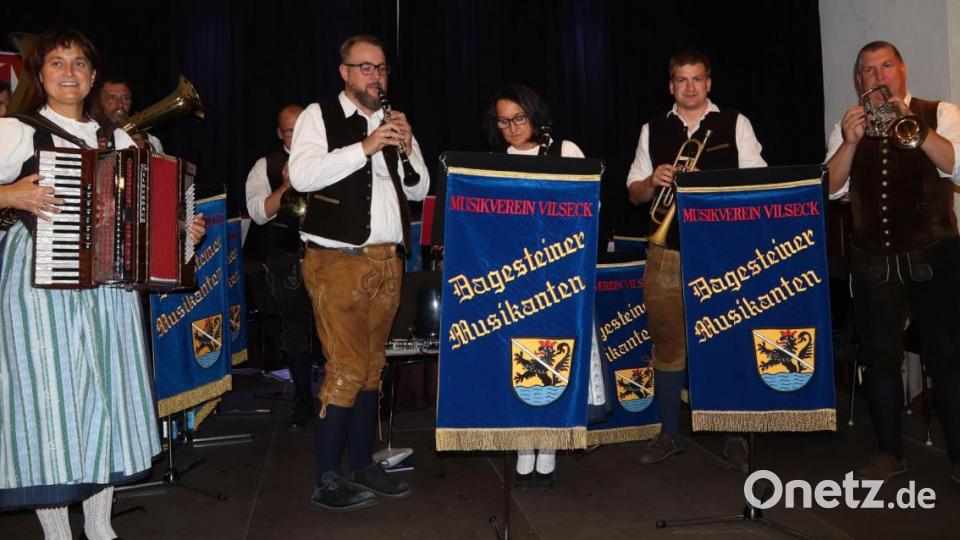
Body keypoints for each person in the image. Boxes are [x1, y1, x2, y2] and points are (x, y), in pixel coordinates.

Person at [0, 28, 205, 539]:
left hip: (108, 292)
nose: (68, 72)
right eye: (56, 63)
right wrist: (9, 194)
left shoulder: (119, 140)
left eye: (78, 63)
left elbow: (142, 223)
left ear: (92, 76)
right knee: (51, 402)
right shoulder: (16, 132)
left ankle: (100, 528)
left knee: (106, 399)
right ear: (39, 75)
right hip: (38, 288)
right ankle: (57, 533)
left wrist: (181, 232)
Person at [289, 34, 429, 512]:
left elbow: (421, 189)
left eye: (382, 68)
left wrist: (407, 146)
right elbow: (303, 176)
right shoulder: (318, 115)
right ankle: (327, 477)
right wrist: (367, 145)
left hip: (387, 262)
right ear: (344, 72)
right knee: (346, 369)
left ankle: (364, 464)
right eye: (365, 67)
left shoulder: (393, 121)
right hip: (337, 263)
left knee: (372, 370)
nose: (376, 76)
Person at [825, 40, 960, 484]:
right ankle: (889, 452)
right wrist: (848, 142)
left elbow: (955, 165)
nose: (878, 76)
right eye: (868, 70)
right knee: (880, 358)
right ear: (858, 80)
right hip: (873, 261)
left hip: (934, 255)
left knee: (948, 356)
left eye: (886, 66)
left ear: (902, 71)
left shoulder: (939, 111)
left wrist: (915, 127)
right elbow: (831, 189)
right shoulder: (848, 125)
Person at [626, 49, 766, 473]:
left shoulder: (735, 122)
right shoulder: (652, 128)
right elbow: (633, 192)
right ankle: (670, 433)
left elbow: (758, 181)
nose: (690, 87)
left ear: (709, 83)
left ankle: (733, 434)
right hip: (667, 254)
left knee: (725, 339)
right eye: (682, 80)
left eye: (697, 79)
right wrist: (653, 181)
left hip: (722, 254)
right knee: (668, 345)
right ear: (671, 86)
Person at [482, 83, 585, 488]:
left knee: (553, 354)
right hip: (516, 278)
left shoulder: (566, 151)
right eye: (503, 121)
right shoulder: (494, 163)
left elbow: (588, 208)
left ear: (535, 115)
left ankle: (550, 446)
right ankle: (525, 445)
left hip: (560, 274)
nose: (511, 127)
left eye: (518, 118)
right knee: (520, 357)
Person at [245, 103, 318, 432]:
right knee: (296, 333)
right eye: (290, 129)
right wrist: (287, 185)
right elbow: (259, 213)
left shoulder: (327, 157)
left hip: (327, 255)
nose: (297, 133)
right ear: (280, 134)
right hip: (286, 260)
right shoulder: (267, 165)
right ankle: (304, 401)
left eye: (302, 126)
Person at [91, 74, 164, 152]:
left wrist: (145, 153)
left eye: (126, 98)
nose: (120, 104)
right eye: (112, 98)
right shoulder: (89, 134)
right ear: (98, 102)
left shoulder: (150, 140)